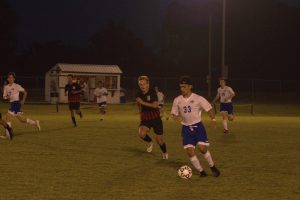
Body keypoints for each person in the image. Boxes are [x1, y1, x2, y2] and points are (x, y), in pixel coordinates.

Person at [171, 76, 220, 177]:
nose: (182, 89)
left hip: (198, 127)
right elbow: (174, 114)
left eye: (184, 87)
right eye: (180, 87)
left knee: (202, 148)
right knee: (190, 151)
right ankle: (202, 172)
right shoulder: (177, 100)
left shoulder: (198, 98)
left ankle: (212, 166)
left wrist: (213, 119)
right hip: (186, 129)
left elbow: (209, 109)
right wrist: (176, 118)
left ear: (190, 86)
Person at [136, 76, 168, 159]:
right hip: (146, 118)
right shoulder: (138, 94)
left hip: (156, 118)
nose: (142, 86)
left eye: (144, 84)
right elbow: (139, 104)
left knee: (159, 140)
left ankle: (164, 153)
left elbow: (155, 105)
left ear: (148, 84)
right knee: (141, 133)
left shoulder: (152, 92)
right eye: (140, 84)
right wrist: (140, 112)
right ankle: (150, 141)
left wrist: (142, 102)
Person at [2, 72, 41, 139]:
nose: (11, 79)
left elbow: (25, 92)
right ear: (8, 79)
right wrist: (7, 97)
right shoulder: (6, 87)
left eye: (12, 78)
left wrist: (23, 100)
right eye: (9, 78)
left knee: (7, 117)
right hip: (12, 104)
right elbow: (4, 97)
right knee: (22, 120)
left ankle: (8, 135)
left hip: (16, 104)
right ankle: (35, 122)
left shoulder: (17, 86)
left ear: (14, 79)